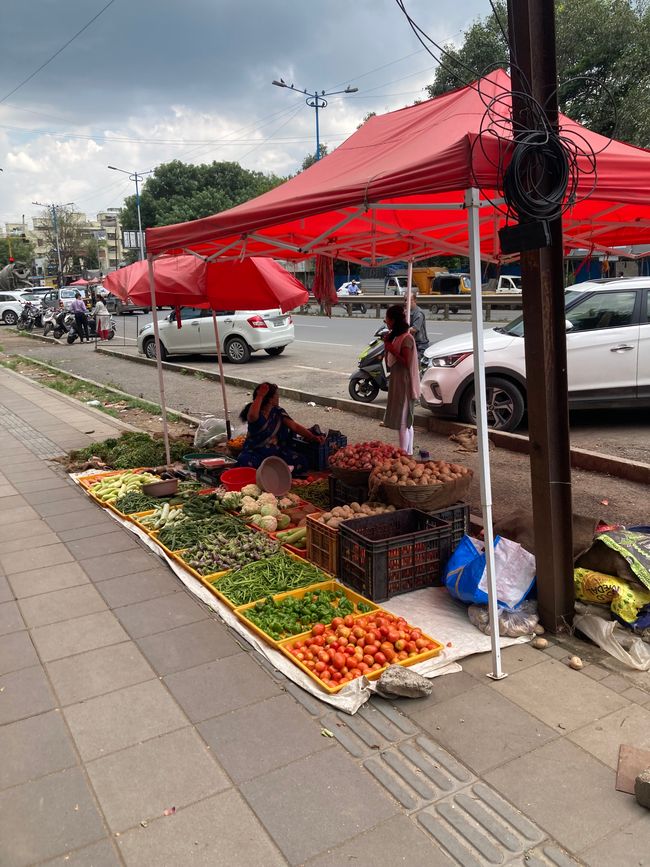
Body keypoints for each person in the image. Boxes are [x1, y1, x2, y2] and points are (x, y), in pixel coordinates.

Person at [237, 382, 325, 476]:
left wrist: (312, 437)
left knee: (301, 461)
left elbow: (294, 426)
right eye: (276, 395)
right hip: (255, 452)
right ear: (270, 399)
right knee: (244, 461)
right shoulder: (255, 412)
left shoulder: (277, 412)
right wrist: (260, 395)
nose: (278, 397)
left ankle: (275, 473)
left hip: (275, 452)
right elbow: (252, 416)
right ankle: (275, 473)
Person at [383, 304, 421, 455]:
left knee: (403, 423)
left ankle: (403, 455)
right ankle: (409, 453)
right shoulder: (397, 337)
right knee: (407, 421)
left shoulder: (406, 339)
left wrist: (391, 348)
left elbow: (406, 361)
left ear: (393, 320)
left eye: (387, 318)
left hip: (404, 383)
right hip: (398, 381)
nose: (385, 321)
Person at [406, 290, 429, 359]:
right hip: (411, 343)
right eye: (405, 300)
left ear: (415, 300)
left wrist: (400, 330)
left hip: (420, 345)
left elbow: (414, 329)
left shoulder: (418, 313)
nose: (407, 302)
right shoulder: (406, 312)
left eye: (410, 300)